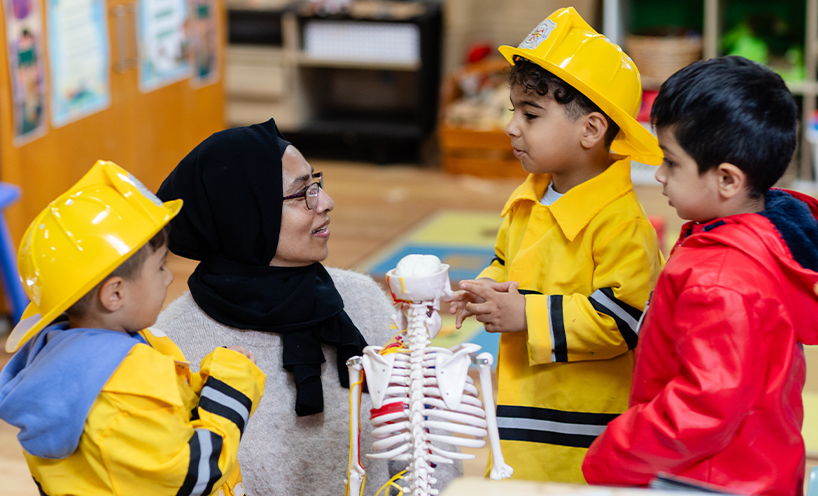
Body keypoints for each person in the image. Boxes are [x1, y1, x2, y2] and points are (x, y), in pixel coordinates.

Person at [153, 118, 462, 496]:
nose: (327, 203)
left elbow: (424, 442)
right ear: (246, 216)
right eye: (302, 194)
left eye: (316, 183)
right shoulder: (175, 344)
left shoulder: (360, 299)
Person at [582, 56, 818, 494]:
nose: (659, 175)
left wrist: (613, 453)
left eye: (671, 162)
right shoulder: (753, 234)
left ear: (727, 180)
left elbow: (704, 408)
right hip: (755, 465)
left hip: (710, 480)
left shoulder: (723, 280)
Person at [448, 7, 664, 482]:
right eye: (512, 111)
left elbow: (620, 320)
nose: (511, 127)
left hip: (586, 427)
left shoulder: (622, 223)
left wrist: (524, 314)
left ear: (590, 129)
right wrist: (482, 290)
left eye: (530, 114)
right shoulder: (527, 198)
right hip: (522, 408)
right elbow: (506, 261)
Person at [0, 160, 265, 496]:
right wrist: (231, 386)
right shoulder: (127, 388)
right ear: (114, 293)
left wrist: (196, 387)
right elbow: (195, 472)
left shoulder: (57, 361)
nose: (169, 277)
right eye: (160, 267)